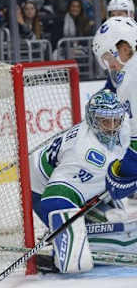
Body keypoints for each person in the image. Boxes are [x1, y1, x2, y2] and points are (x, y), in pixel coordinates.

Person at [30, 89, 132, 273]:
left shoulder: (124, 127)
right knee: (97, 237)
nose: (111, 127)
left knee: (117, 219)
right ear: (93, 120)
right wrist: (65, 235)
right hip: (41, 189)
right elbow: (53, 200)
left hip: (84, 178)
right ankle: (54, 243)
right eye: (105, 121)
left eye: (115, 120)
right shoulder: (84, 153)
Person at [92, 17, 137, 205]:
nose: (110, 66)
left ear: (124, 47)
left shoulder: (130, 80)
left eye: (108, 58)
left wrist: (119, 178)